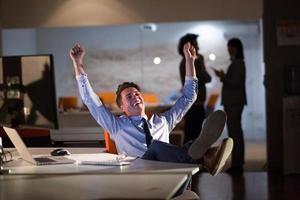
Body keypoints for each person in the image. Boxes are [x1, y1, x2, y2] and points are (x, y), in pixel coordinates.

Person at [70, 42, 233, 176]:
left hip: (168, 173)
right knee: (156, 146)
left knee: (171, 147)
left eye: (137, 93)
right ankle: (205, 157)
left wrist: (190, 61)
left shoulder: (162, 121)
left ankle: (202, 155)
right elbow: (90, 100)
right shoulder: (117, 126)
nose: (135, 96)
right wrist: (78, 64)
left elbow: (189, 97)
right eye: (129, 96)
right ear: (122, 107)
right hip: (138, 175)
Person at [214, 38, 247, 174]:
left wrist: (223, 76)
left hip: (234, 102)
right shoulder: (236, 63)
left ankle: (237, 164)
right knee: (235, 133)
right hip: (233, 102)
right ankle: (237, 163)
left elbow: (234, 83)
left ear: (235, 48)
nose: (228, 49)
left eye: (230, 47)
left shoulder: (238, 64)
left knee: (235, 134)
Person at [178, 33, 211, 144]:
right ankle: (190, 160)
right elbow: (205, 78)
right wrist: (201, 63)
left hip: (196, 103)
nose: (198, 47)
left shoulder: (189, 62)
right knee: (193, 135)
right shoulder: (189, 63)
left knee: (194, 134)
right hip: (194, 104)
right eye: (196, 44)